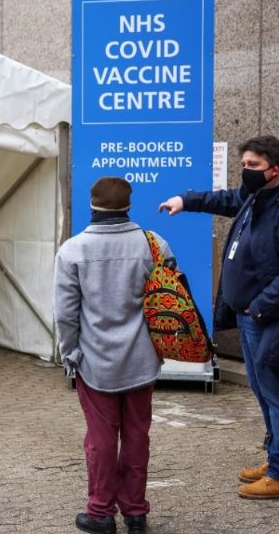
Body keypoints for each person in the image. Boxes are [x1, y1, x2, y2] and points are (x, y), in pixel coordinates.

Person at [159, 135, 279, 499]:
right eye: (244, 164)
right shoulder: (259, 197)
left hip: (272, 318)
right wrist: (186, 200)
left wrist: (261, 306)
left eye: (253, 166)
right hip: (252, 317)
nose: (245, 173)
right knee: (264, 391)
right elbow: (226, 198)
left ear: (275, 170)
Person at [54, 177, 168, 534]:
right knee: (137, 435)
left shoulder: (73, 250)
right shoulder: (154, 245)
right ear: (128, 205)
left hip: (96, 362)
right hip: (142, 360)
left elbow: (65, 313)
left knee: (101, 438)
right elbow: (167, 300)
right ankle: (136, 513)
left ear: (92, 205)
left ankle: (100, 513)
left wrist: (69, 352)